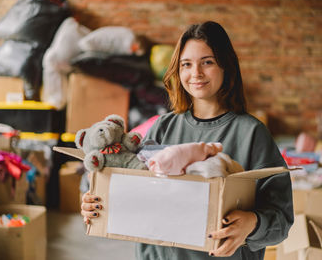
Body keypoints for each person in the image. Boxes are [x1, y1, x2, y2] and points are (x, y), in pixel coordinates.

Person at [81, 21, 293, 260]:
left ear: (226, 66)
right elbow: (124, 178)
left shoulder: (252, 133)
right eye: (187, 64)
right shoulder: (162, 127)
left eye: (208, 62)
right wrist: (92, 200)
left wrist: (252, 223)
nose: (196, 73)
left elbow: (282, 219)